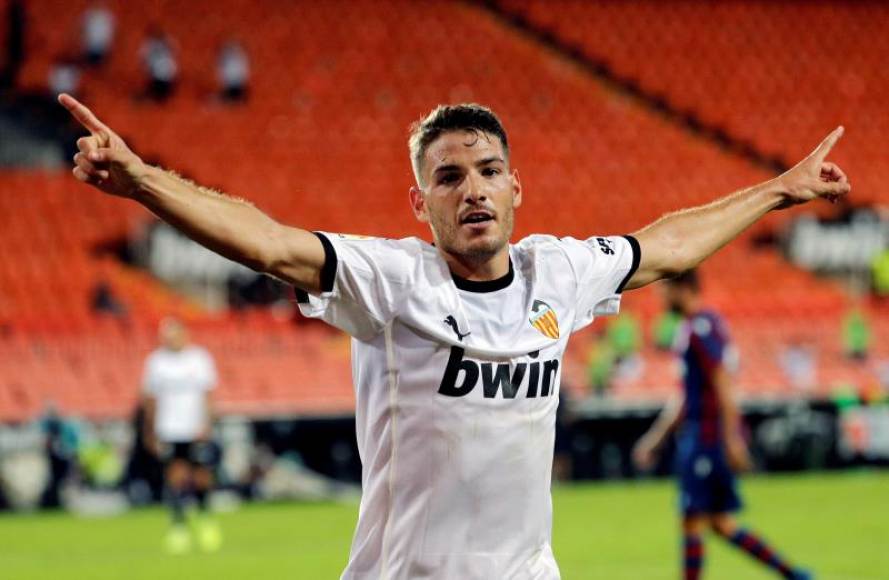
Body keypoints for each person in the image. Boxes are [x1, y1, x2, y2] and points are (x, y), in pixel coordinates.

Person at [58, 92, 849, 578]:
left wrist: (778, 191)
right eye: (448, 177)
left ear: (514, 188)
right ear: (420, 203)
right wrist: (144, 181)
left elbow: (664, 246)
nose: (473, 190)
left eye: (488, 172)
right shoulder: (390, 281)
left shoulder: (558, 273)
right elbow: (268, 243)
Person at [633, 271, 811, 580]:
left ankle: (794, 574)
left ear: (683, 288)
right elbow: (688, 396)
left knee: (692, 519)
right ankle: (795, 574)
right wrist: (657, 438)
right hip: (704, 435)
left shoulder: (700, 329)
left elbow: (723, 383)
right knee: (720, 523)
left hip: (707, 437)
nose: (659, 296)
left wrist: (732, 439)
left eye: (664, 289)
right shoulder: (700, 326)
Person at [141, 317, 221, 554]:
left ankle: (205, 519)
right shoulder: (156, 362)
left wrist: (207, 423)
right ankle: (179, 525)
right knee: (175, 475)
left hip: (195, 427)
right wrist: (150, 429)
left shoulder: (199, 358)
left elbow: (208, 394)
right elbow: (150, 399)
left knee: (201, 474)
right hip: (169, 428)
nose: (171, 339)